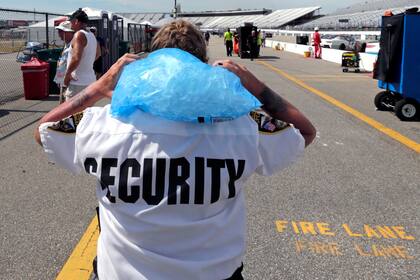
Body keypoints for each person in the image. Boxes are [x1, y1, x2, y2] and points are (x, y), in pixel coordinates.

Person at [34, 19, 316, 280]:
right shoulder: (244, 127)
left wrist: (98, 86)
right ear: (204, 67)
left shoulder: (103, 124)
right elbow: (305, 131)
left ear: (151, 63)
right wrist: (253, 85)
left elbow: (44, 130)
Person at [63, 8, 100, 101]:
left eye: (71, 21)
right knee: (84, 113)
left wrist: (67, 75)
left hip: (77, 84)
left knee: (72, 114)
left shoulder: (79, 35)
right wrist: (86, 63)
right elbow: (98, 53)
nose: (70, 24)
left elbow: (76, 58)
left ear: (76, 21)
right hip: (90, 80)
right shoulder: (91, 35)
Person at [53, 21, 74, 104]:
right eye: (59, 32)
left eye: (61, 32)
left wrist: (65, 79)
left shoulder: (73, 45)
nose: (59, 34)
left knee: (67, 106)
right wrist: (59, 79)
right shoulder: (66, 44)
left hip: (69, 81)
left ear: (69, 32)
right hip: (63, 80)